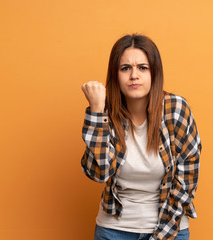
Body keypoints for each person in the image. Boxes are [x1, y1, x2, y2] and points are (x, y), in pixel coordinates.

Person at [80, 34, 202, 240]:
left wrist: (159, 236)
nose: (134, 75)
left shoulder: (176, 110)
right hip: (114, 231)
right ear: (115, 75)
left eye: (143, 68)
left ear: (154, 73)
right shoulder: (104, 114)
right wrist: (96, 112)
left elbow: (186, 183)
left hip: (170, 228)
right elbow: (99, 173)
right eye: (125, 68)